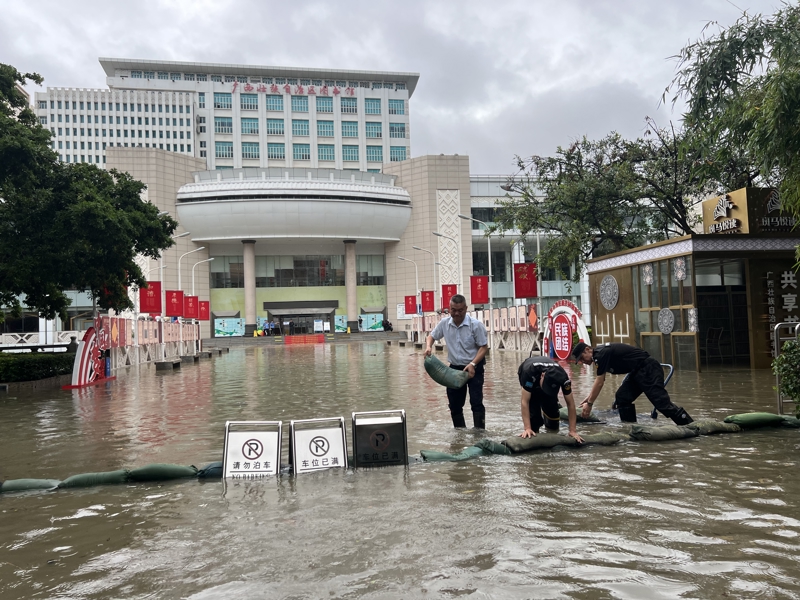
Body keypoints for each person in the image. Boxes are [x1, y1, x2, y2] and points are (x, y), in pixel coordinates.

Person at [571, 342, 693, 425]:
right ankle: (630, 427)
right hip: (637, 372)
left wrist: (590, 404)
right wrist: (588, 399)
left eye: (581, 358)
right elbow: (600, 379)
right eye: (579, 361)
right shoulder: (599, 356)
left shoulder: (600, 354)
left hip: (648, 369)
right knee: (622, 397)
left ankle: (690, 425)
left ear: (587, 349)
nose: (582, 362)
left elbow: (600, 382)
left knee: (662, 404)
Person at [424, 294, 489, 429]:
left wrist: (473, 364)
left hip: (474, 368)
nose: (457, 313)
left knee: (476, 402)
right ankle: (460, 435)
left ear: (466, 309)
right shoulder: (444, 324)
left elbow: (484, 347)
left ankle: (479, 435)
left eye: (460, 310)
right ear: (449, 308)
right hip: (454, 369)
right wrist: (428, 346)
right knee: (454, 404)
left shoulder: (475, 325)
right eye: (454, 310)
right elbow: (431, 336)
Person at [517, 356, 583, 443]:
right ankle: (534, 429)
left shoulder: (563, 378)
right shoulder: (529, 373)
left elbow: (570, 404)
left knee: (553, 417)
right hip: (530, 376)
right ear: (542, 376)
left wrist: (573, 431)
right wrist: (527, 428)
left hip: (549, 381)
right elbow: (525, 402)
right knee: (534, 419)